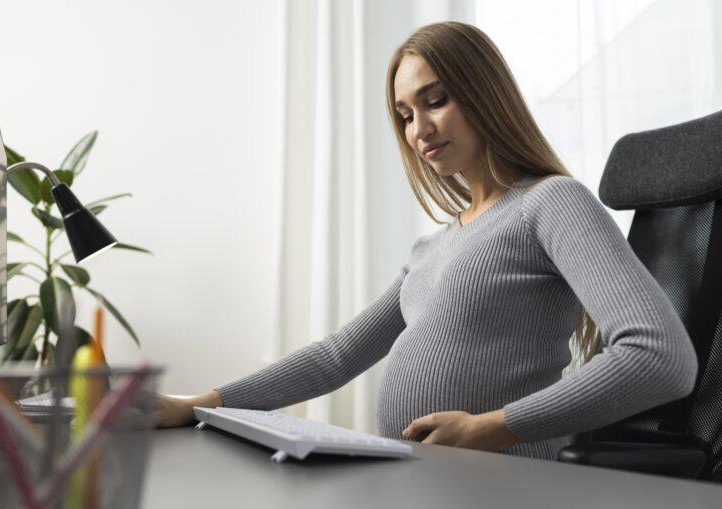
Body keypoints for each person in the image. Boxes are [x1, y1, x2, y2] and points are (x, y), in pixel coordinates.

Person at [154, 21, 697, 460]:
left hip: (498, 484)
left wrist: (493, 428)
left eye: (434, 101)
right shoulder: (435, 246)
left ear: (484, 93)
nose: (418, 130)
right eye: (406, 115)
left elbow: (661, 356)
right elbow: (336, 357)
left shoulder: (552, 202)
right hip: (421, 477)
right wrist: (200, 404)